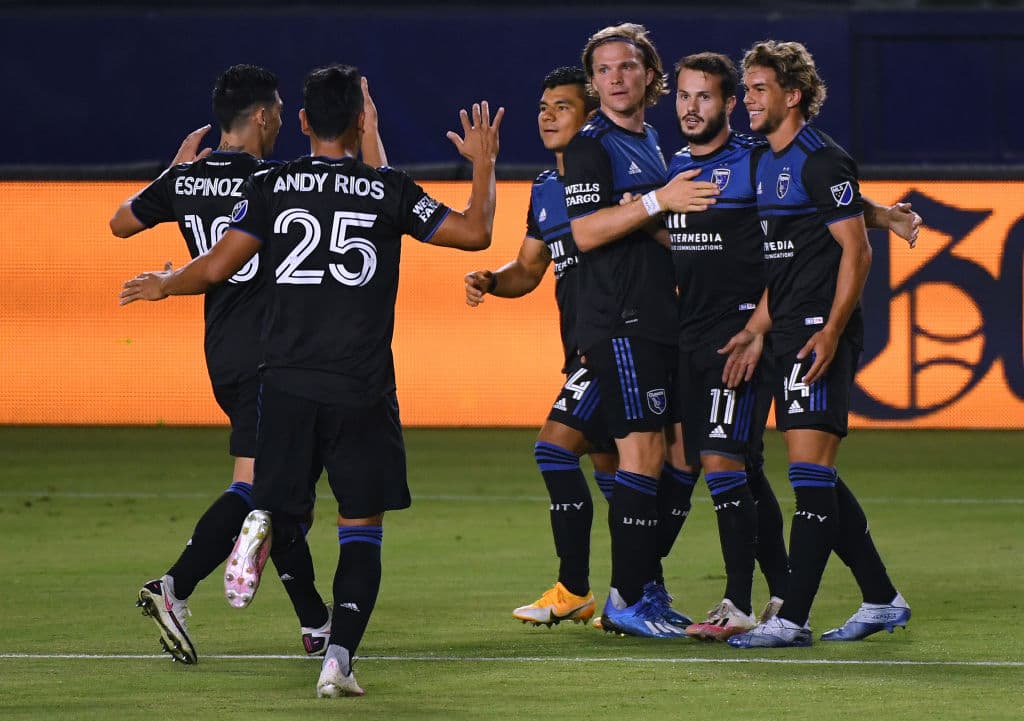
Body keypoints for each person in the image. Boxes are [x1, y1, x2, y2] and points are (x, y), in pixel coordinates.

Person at [120, 64, 502, 695]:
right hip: (361, 387)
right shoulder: (390, 189)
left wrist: (165, 283)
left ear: (300, 122)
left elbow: (215, 266)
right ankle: (339, 658)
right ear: (360, 120)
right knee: (361, 527)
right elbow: (475, 231)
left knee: (269, 492)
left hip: (285, 383)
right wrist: (483, 163)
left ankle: (265, 514)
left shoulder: (272, 183)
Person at [660, 52, 922, 642]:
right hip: (783, 330)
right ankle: (880, 599)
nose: (748, 99)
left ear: (793, 95)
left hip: (815, 334)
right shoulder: (768, 161)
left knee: (808, 476)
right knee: (817, 476)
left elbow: (854, 253)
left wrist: (830, 329)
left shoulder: (819, 157)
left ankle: (792, 618)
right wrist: (757, 329)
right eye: (747, 89)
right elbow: (794, 254)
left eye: (757, 89)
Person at [111, 64, 334, 664]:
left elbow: (121, 221)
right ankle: (175, 586)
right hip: (274, 352)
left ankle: (316, 623)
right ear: (262, 116)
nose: (284, 121)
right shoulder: (273, 179)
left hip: (223, 350)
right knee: (262, 490)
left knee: (274, 488)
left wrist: (174, 173)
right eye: (281, 112)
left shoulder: (185, 181)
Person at [561, 22, 721, 638]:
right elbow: (585, 231)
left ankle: (646, 587)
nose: (615, 79)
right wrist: (660, 204)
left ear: (650, 76)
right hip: (620, 320)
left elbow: (657, 225)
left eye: (626, 67)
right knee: (643, 453)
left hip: (661, 320)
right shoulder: (590, 145)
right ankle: (626, 600)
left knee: (681, 455)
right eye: (602, 70)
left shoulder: (654, 141)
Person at [465, 66, 616, 628]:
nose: (548, 115)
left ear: (594, 116)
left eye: (563, 106)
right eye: (543, 105)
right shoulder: (546, 188)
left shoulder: (620, 179)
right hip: (583, 348)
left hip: (617, 347)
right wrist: (490, 278)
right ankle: (637, 595)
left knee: (554, 450)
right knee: (619, 481)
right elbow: (529, 268)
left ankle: (574, 588)